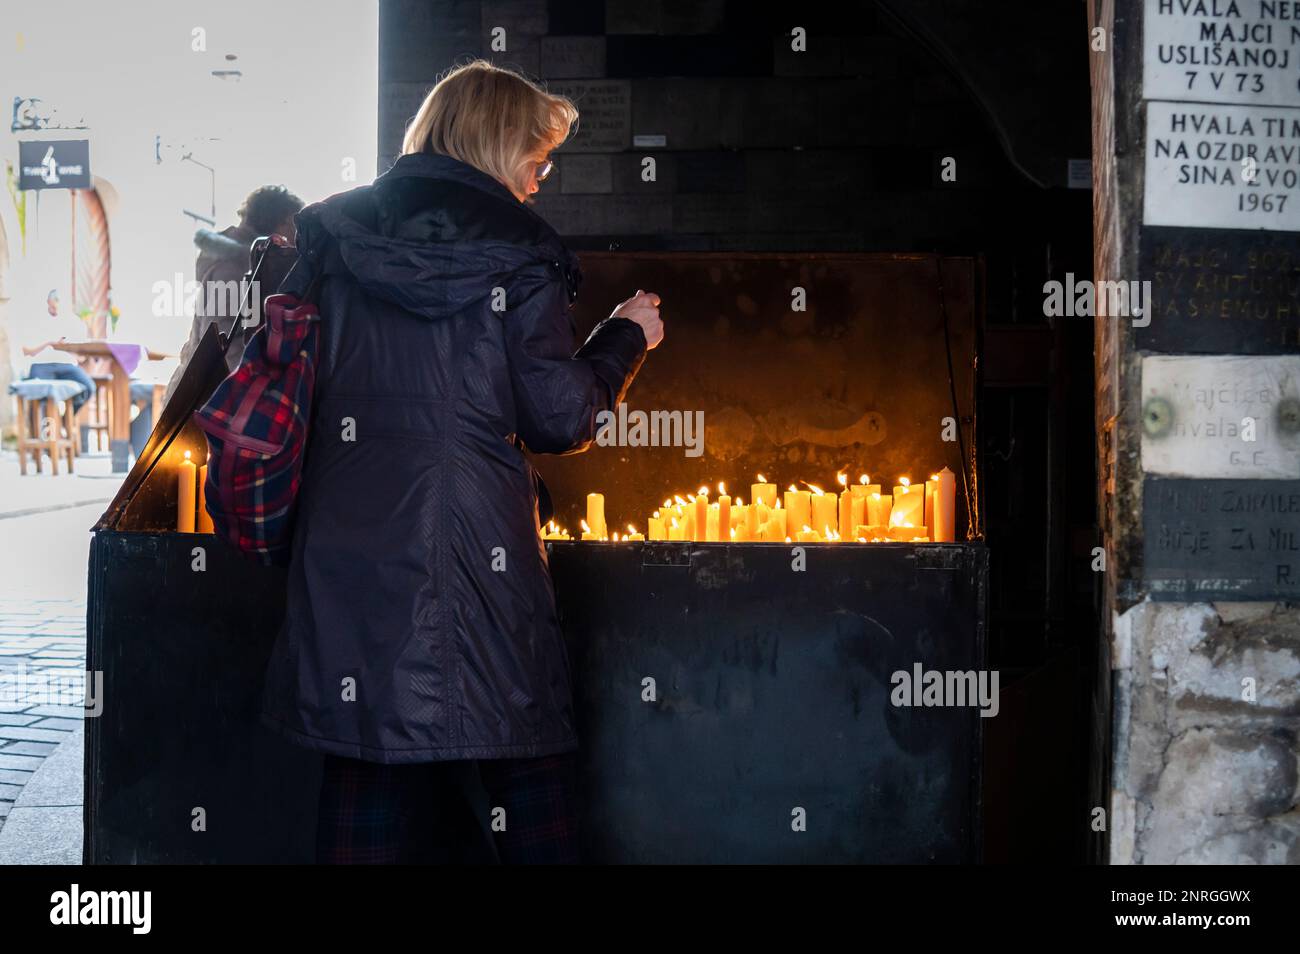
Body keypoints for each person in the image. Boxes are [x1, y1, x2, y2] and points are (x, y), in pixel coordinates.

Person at [257, 60, 664, 864]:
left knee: (368, 764)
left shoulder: (334, 233)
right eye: (536, 162)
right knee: (526, 772)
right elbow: (558, 417)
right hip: (483, 558)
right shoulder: (521, 250)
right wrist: (626, 337)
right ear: (500, 144)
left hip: (349, 561)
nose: (539, 182)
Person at [162, 184, 304, 404]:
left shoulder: (248, 261)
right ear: (284, 220)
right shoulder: (239, 267)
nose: (298, 236)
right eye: (296, 225)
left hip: (202, 397)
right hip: (210, 405)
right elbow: (224, 343)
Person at [20, 290, 94, 415]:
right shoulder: (36, 321)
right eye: (56, 301)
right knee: (40, 395)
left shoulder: (73, 322)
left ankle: (66, 421)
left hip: (66, 365)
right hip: (42, 365)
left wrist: (70, 349)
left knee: (89, 387)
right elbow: (27, 351)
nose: (58, 305)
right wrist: (49, 343)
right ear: (48, 301)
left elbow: (81, 357)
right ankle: (42, 429)